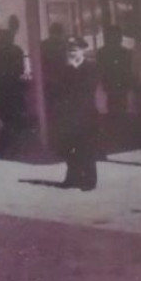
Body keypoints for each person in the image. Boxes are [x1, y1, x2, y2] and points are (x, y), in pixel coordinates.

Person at [53, 37, 101, 191]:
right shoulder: (65, 69)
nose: (72, 52)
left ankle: (89, 180)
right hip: (69, 114)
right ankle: (72, 177)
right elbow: (60, 90)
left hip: (86, 113)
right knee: (69, 146)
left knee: (86, 147)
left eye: (75, 49)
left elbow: (87, 89)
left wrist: (72, 70)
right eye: (69, 49)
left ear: (82, 50)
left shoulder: (90, 67)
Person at [95, 24, 134, 147]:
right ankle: (120, 135)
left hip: (112, 84)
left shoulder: (102, 52)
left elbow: (100, 69)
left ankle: (114, 135)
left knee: (113, 108)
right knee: (120, 107)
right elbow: (128, 69)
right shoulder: (125, 52)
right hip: (119, 84)